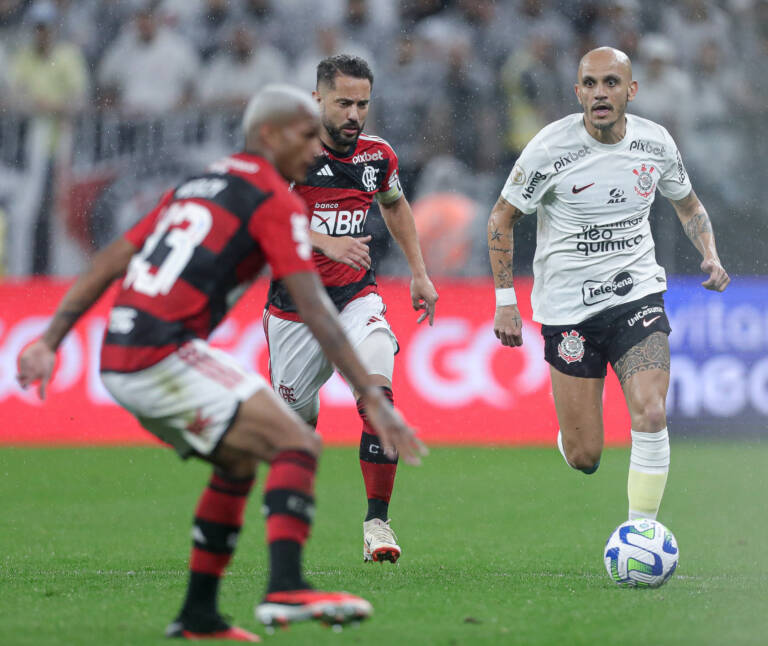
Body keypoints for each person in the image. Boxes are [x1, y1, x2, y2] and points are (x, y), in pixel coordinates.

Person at [17, 84, 426, 642]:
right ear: (270, 136)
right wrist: (374, 398)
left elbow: (115, 255)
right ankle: (285, 588)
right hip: (163, 351)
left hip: (121, 349)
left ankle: (199, 617)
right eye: (305, 136)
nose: (315, 149)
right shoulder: (272, 198)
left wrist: (50, 339)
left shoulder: (201, 182)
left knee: (236, 464)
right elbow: (315, 309)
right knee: (297, 442)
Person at [488, 47, 729, 522]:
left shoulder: (655, 143)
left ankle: (642, 533)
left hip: (635, 294)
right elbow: (502, 218)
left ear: (630, 91)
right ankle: (572, 432)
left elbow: (689, 205)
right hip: (568, 309)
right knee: (585, 456)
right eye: (591, 83)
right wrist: (504, 300)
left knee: (652, 413)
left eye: (611, 83)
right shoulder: (548, 148)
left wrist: (711, 253)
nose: (601, 93)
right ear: (578, 91)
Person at [264, 55, 438, 564]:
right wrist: (322, 240)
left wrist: (419, 272)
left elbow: (394, 204)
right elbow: (262, 219)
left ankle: (377, 523)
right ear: (317, 98)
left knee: (379, 401)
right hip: (295, 312)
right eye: (343, 102)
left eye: (362, 104)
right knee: (296, 424)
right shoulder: (288, 150)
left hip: (355, 298)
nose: (354, 114)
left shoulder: (376, 156)